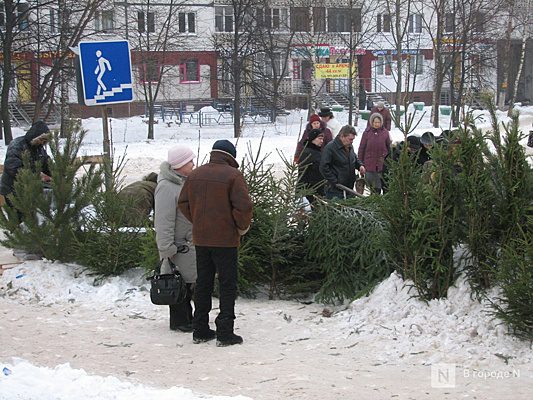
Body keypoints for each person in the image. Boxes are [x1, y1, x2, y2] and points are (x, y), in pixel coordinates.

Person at [178, 140, 253, 347]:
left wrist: (198, 221)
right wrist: (240, 227)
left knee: (203, 282)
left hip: (201, 238)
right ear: (230, 156)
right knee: (227, 284)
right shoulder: (233, 175)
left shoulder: (195, 175)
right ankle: (225, 332)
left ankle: (200, 328)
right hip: (225, 240)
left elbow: (183, 203)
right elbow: (244, 206)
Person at [154, 145, 197, 333]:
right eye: (189, 161)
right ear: (179, 164)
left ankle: (188, 318)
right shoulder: (166, 187)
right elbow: (163, 220)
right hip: (178, 246)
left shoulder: (182, 182)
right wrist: (166, 248)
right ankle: (180, 321)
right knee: (178, 282)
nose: (193, 164)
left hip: (188, 244)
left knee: (187, 281)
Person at [0, 120, 51, 216]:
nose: (42, 143)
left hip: (29, 189)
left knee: (30, 218)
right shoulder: (16, 145)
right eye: (41, 140)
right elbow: (13, 168)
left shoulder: (39, 149)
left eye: (44, 141)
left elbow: (46, 164)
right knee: (19, 219)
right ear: (34, 136)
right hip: (13, 189)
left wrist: (58, 173)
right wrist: (37, 175)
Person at [320, 125, 366, 199]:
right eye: (350, 139)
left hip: (349, 189)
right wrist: (335, 181)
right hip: (335, 190)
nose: (352, 142)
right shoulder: (330, 148)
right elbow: (323, 167)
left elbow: (354, 158)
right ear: (342, 136)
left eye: (353, 139)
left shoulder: (350, 146)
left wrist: (360, 165)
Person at [358, 113, 392, 194]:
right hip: (369, 163)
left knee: (383, 186)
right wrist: (360, 163)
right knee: (373, 188)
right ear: (371, 122)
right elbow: (362, 148)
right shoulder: (367, 133)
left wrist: (388, 160)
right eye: (375, 122)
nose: (377, 124)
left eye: (378, 122)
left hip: (382, 164)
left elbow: (389, 147)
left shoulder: (385, 133)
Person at [298, 129, 325, 203]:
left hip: (319, 188)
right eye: (319, 139)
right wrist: (300, 192)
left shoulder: (318, 152)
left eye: (322, 139)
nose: (322, 141)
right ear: (313, 139)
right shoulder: (307, 153)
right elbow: (302, 175)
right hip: (310, 190)